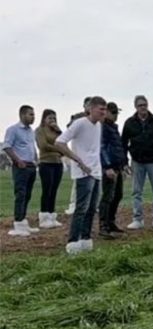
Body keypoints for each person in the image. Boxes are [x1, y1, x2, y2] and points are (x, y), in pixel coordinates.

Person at [55, 97, 107, 255]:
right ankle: (73, 241)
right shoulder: (79, 123)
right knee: (81, 208)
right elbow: (59, 142)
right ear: (90, 109)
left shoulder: (99, 126)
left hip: (96, 171)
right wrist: (77, 159)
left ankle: (85, 238)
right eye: (101, 109)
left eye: (105, 110)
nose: (103, 113)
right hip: (83, 172)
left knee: (92, 208)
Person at [122, 95, 153, 231]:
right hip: (137, 161)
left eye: (145, 105)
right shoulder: (129, 123)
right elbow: (123, 143)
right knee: (136, 191)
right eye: (140, 105)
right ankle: (137, 219)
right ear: (135, 107)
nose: (143, 107)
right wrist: (124, 162)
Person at [3, 105, 40, 236]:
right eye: (31, 114)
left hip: (31, 166)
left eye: (34, 114)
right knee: (21, 194)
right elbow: (7, 146)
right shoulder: (13, 130)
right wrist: (18, 160)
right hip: (21, 166)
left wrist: (36, 159)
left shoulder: (31, 131)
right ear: (22, 115)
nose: (33, 117)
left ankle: (23, 221)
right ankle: (18, 223)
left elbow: (32, 147)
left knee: (28, 194)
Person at [98, 103, 129, 238]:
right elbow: (102, 147)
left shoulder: (113, 127)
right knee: (108, 196)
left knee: (117, 195)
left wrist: (124, 163)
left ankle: (111, 222)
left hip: (117, 166)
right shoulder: (103, 127)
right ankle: (103, 225)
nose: (116, 115)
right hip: (109, 167)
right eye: (113, 112)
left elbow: (119, 147)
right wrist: (107, 166)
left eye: (117, 112)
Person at [35, 109, 66, 229]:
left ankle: (52, 216)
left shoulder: (57, 131)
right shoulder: (39, 130)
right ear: (44, 119)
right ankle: (44, 217)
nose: (52, 120)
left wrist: (59, 131)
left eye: (54, 118)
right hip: (46, 162)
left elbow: (64, 144)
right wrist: (58, 149)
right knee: (47, 189)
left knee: (54, 190)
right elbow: (43, 145)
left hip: (57, 163)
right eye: (49, 118)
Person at [64, 97, 91, 216]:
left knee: (92, 180)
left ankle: (90, 204)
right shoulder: (77, 117)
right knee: (78, 180)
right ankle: (73, 204)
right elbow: (69, 128)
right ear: (84, 106)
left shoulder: (96, 119)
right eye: (88, 105)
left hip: (91, 153)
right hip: (78, 153)